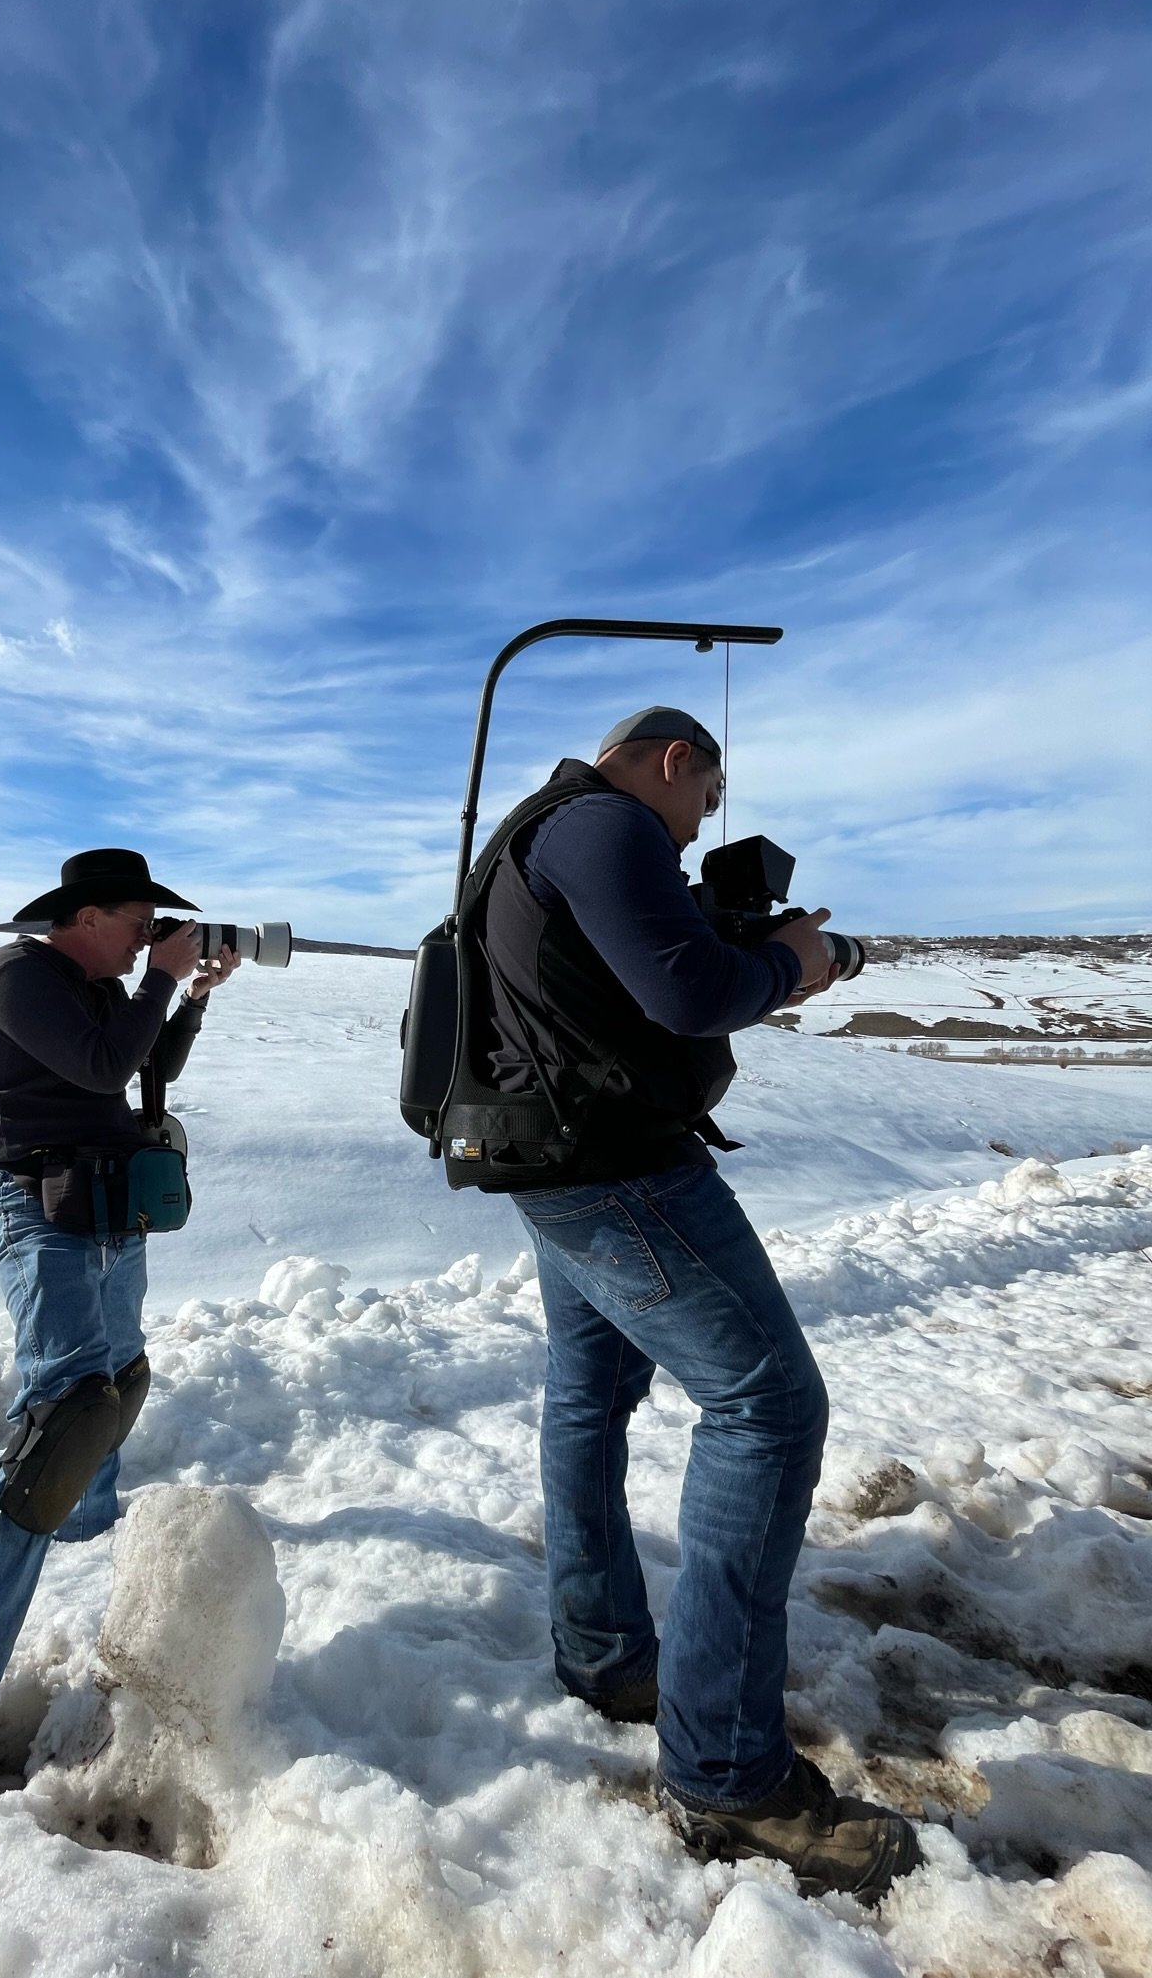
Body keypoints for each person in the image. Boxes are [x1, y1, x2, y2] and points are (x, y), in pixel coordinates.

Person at [475, 706, 920, 1902]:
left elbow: (639, 989)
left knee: (591, 1396)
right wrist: (793, 963)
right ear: (677, 760)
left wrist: (751, 964)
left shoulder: (531, 836)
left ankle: (608, 1654)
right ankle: (725, 1776)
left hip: (550, 1166)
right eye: (706, 800)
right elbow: (683, 992)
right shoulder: (605, 823)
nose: (697, 830)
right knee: (769, 1408)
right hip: (619, 1174)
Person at [0, 847, 240, 1891]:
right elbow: (92, 1070)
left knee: (113, 1387)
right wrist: (164, 979)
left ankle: (86, 1550)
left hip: (101, 1205)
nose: (150, 935)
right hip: (37, 1209)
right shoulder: (18, 976)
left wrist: (188, 997)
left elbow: (129, 1072)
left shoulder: (92, 983)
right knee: (63, 1428)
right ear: (86, 914)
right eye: (140, 920)